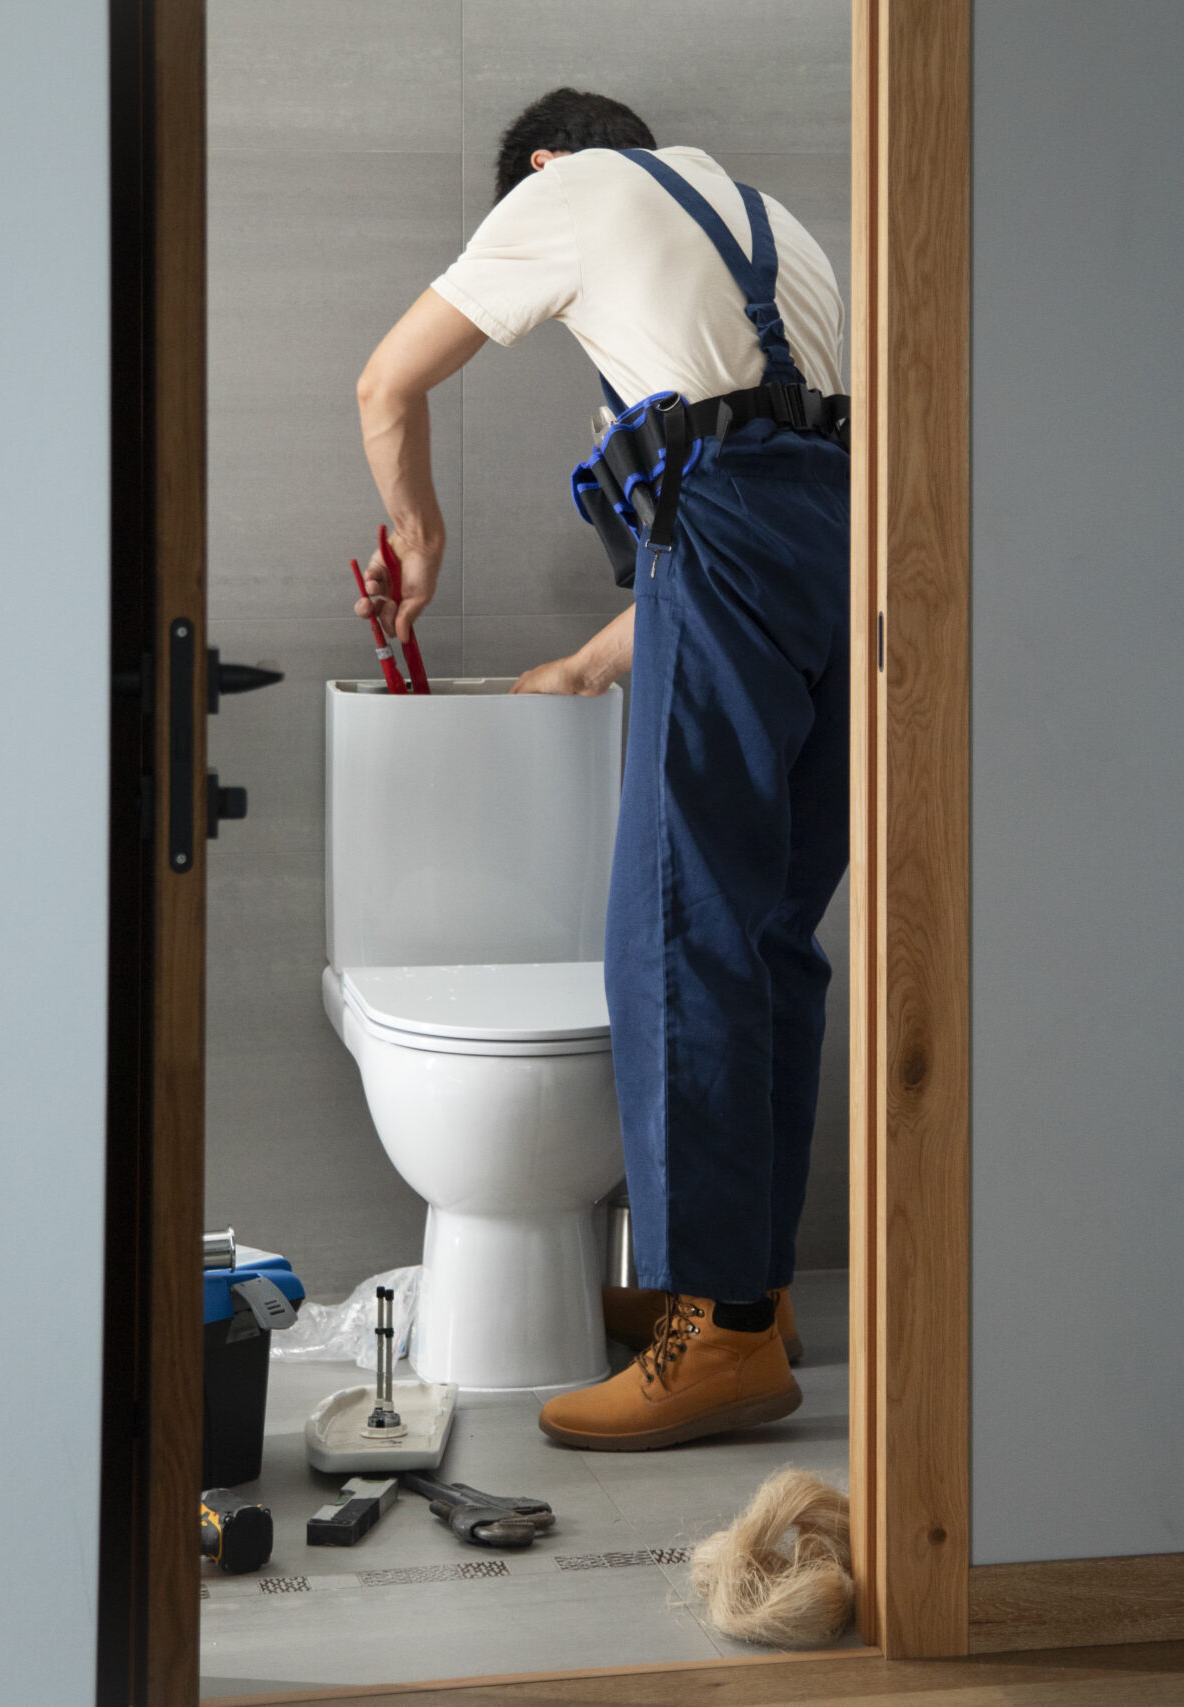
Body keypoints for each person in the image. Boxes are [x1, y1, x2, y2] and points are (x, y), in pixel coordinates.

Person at [347, 89, 849, 1451]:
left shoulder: (567, 191)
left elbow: (387, 382)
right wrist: (587, 664)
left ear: (544, 171)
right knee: (771, 941)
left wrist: (419, 533)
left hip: (738, 549)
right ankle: (750, 1297)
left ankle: (713, 1338)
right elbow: (758, 474)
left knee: (678, 934)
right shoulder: (778, 231)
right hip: (845, 550)